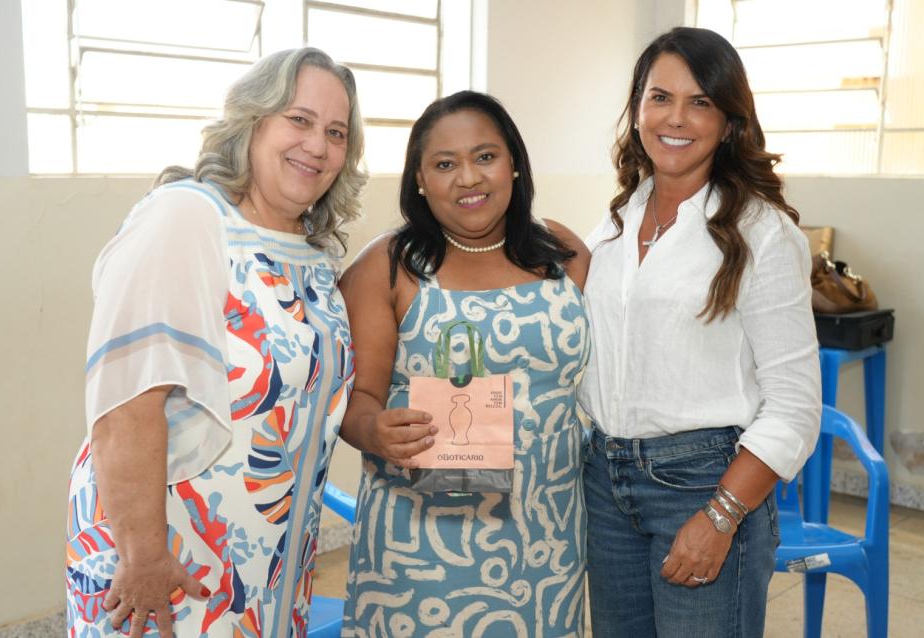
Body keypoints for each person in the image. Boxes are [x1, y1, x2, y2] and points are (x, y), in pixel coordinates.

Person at [64, 47, 366, 637]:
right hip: (172, 556)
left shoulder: (312, 251)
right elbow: (126, 402)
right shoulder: (185, 217)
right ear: (251, 122)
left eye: (336, 132)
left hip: (270, 559)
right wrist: (145, 557)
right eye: (298, 120)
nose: (318, 145)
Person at [580, 27, 821, 637]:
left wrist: (721, 515)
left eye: (700, 102)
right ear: (636, 111)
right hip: (606, 486)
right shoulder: (613, 227)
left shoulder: (762, 234)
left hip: (703, 483)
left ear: (729, 121)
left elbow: (794, 407)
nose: (676, 118)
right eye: (660, 97)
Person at [337, 90, 592, 636]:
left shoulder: (564, 255)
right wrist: (374, 431)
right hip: (423, 545)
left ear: (515, 165)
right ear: (420, 181)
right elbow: (355, 401)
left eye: (485, 156)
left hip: (548, 534)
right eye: (444, 164)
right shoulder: (390, 265)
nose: (468, 178)